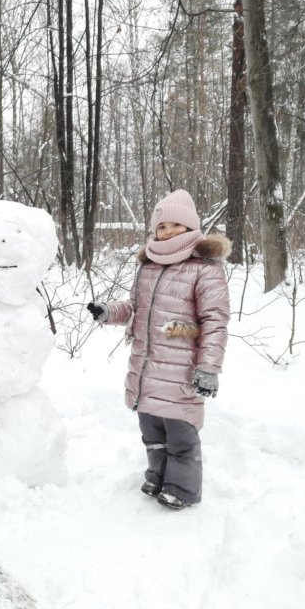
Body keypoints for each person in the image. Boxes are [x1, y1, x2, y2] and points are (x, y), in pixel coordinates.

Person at [87, 189, 230, 510]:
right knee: (151, 429)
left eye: (174, 225)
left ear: (190, 226)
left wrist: (209, 367)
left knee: (180, 433)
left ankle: (182, 488)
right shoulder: (149, 265)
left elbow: (214, 321)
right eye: (161, 226)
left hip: (181, 366)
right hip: (146, 366)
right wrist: (109, 312)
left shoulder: (205, 267)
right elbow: (136, 308)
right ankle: (159, 475)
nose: (166, 232)